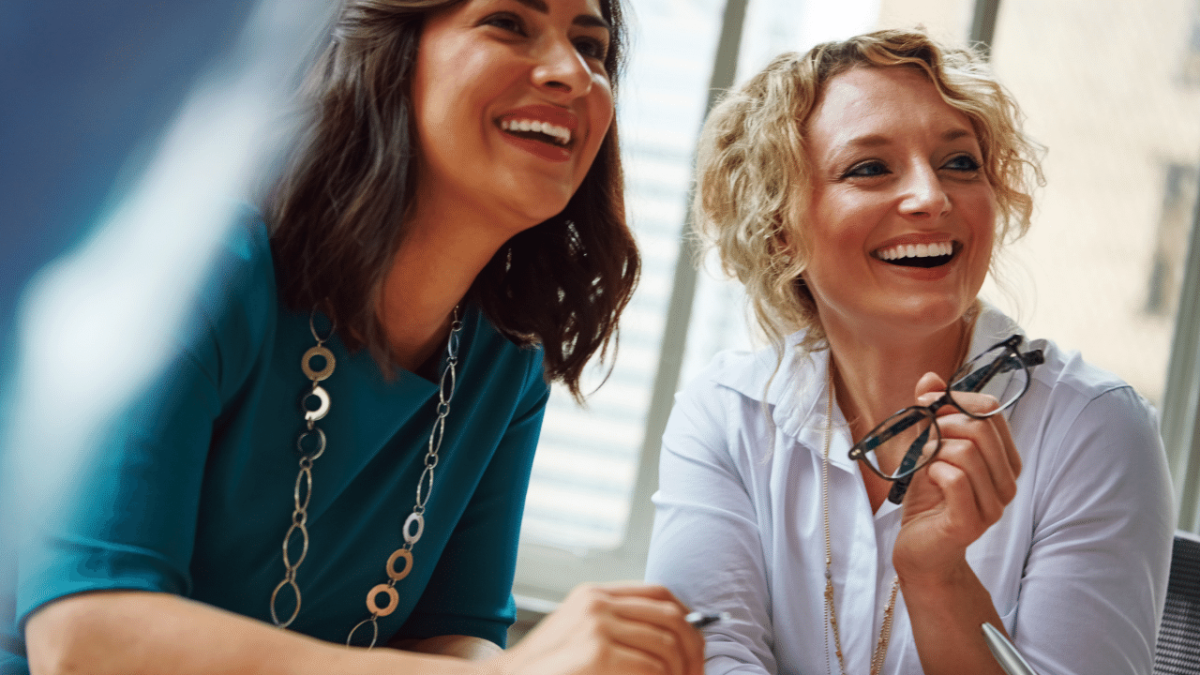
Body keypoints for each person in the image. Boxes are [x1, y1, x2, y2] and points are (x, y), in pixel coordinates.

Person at [8, 1, 706, 674]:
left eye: (591, 46)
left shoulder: (507, 359)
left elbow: (456, 631)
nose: (573, 72)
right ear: (388, 58)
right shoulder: (200, 268)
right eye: (508, 23)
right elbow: (81, 641)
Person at [644, 29, 1173, 675]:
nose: (932, 197)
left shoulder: (1096, 427)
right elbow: (703, 660)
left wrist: (939, 576)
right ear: (779, 229)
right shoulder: (726, 416)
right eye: (869, 168)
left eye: (960, 163)